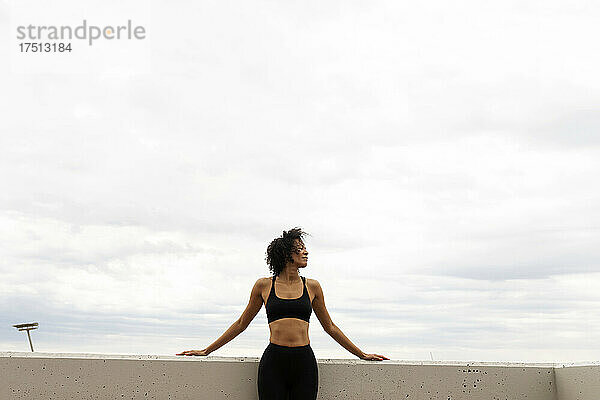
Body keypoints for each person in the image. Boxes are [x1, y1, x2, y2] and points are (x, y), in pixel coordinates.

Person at [177, 227, 389, 399]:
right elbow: (242, 323)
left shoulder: (313, 286)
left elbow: (330, 327)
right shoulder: (263, 285)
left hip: (304, 362)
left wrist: (361, 354)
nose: (306, 252)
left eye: (305, 248)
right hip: (274, 362)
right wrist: (207, 350)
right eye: (300, 249)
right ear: (286, 254)